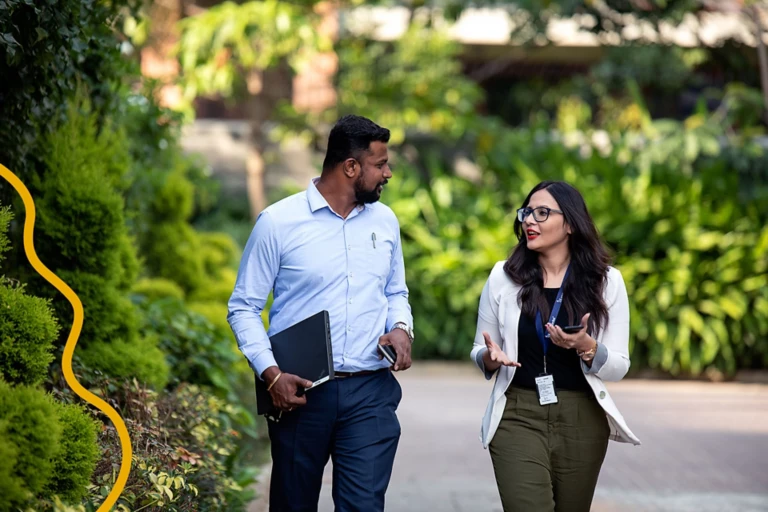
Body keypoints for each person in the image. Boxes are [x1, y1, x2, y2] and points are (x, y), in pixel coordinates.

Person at [228, 115, 414, 512]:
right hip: (300, 393)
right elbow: (244, 307)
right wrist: (271, 374)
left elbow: (395, 291)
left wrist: (400, 327)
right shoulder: (278, 223)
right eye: (380, 164)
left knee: (363, 506)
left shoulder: (385, 221)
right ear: (351, 167)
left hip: (369, 392)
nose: (388, 173)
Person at [470, 180, 641, 512]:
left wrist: (587, 346)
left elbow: (619, 365)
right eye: (526, 212)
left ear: (571, 224)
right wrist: (490, 357)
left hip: (582, 417)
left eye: (542, 213)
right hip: (518, 414)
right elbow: (480, 349)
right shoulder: (503, 277)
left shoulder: (607, 281)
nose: (529, 221)